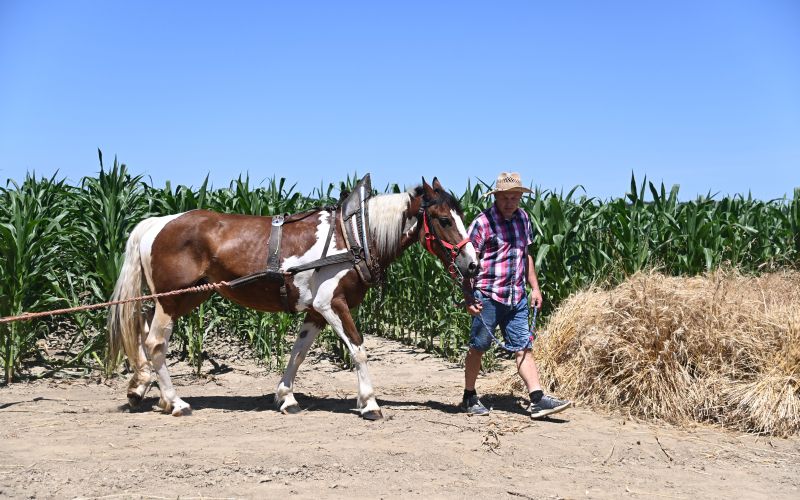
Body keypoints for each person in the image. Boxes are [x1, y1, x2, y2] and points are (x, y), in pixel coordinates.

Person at [461, 172, 572, 419]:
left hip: (517, 297)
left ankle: (537, 399)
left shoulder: (523, 218)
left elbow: (526, 255)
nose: (510, 202)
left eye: (515, 197)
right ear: (496, 197)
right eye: (505, 197)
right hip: (488, 296)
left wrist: (535, 287)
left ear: (520, 198)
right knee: (478, 347)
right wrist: (469, 297)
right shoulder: (482, 223)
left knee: (524, 346)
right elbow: (467, 263)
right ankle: (469, 395)